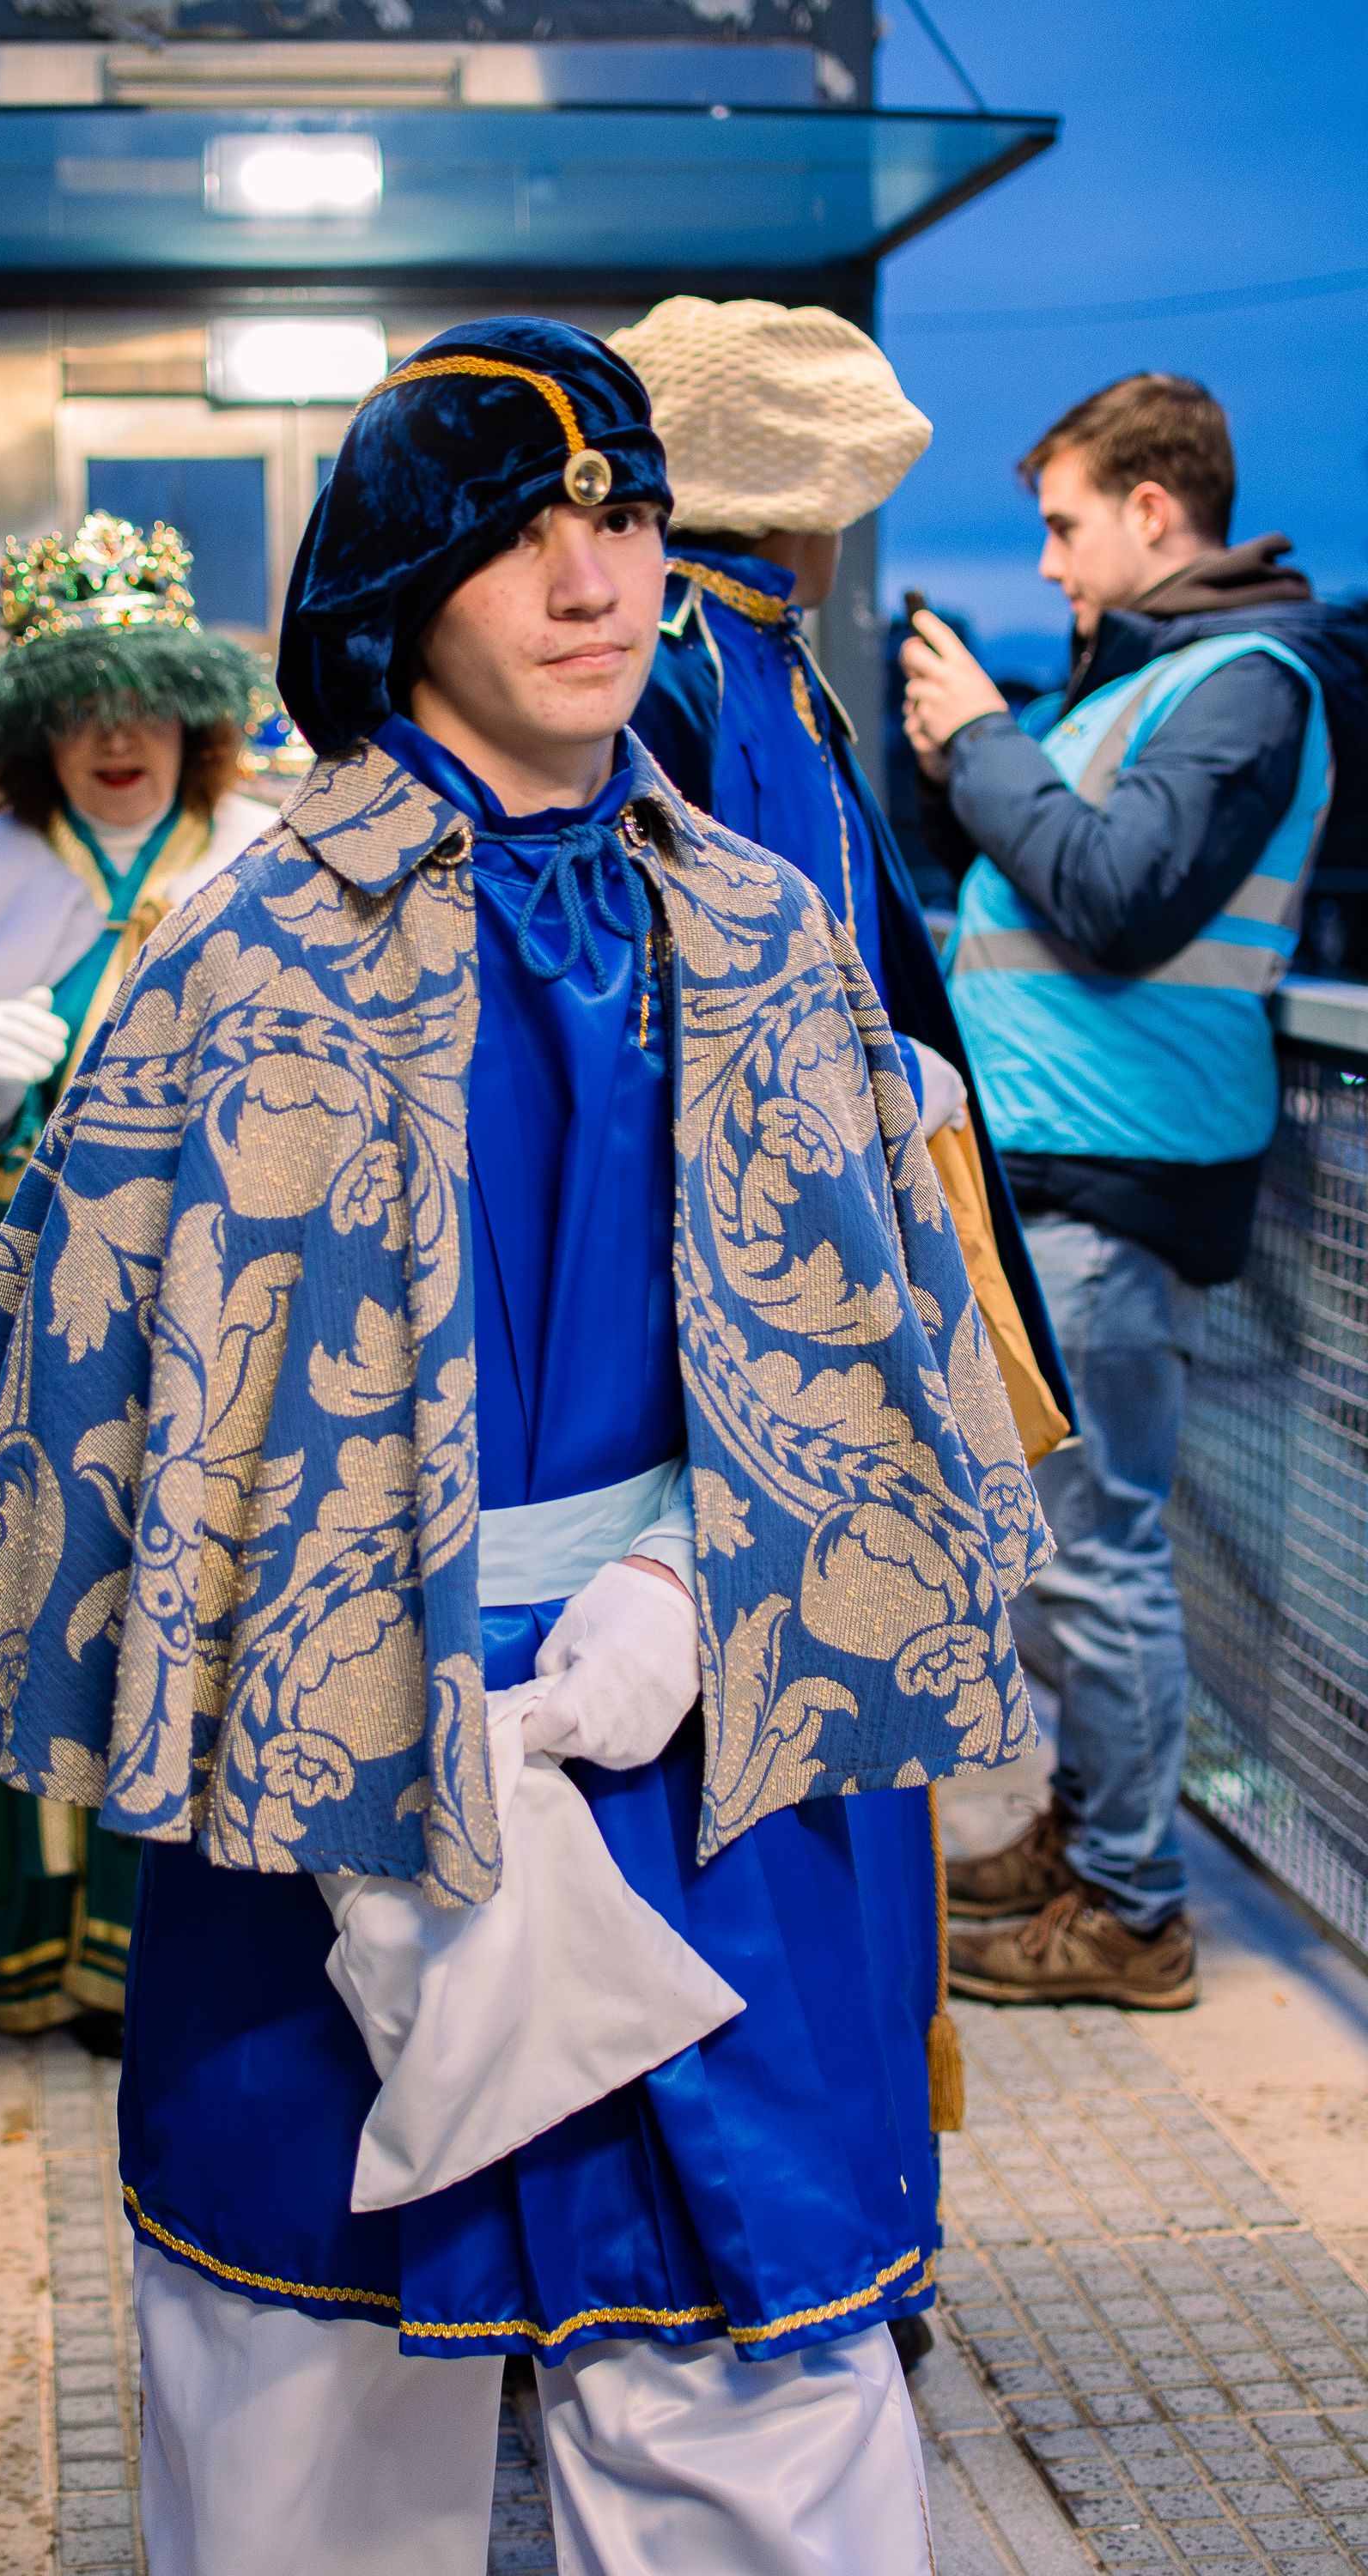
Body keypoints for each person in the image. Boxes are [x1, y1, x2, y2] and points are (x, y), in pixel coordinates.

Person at [0, 315, 1053, 2573]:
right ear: (398, 592)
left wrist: (705, 1582)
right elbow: (124, 1425)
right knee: (303, 2420)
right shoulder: (236, 962)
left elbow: (886, 1378)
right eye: (523, 536)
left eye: (624, 521)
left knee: (763, 2413)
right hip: (327, 1808)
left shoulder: (773, 939)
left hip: (716, 1772)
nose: (597, 582)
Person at [615, 293, 1073, 2368]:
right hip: (799, 1300)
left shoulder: (699, 663)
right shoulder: (739, 669)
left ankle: (805, 2220)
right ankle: (820, 2224)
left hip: (769, 1293)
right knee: (816, 1776)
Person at [902, 372, 1368, 2008]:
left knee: (1095, 1558)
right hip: (1066, 1169)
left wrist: (980, 746)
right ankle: (1096, 1831)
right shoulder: (1148, 684)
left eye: (1065, 523)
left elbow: (1115, 900)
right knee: (1059, 1553)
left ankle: (1134, 1908)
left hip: (1118, 1172)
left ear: (1154, 514)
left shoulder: (1246, 683)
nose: (1045, 565)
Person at [0, 510, 274, 2035]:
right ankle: (48, 1944)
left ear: (194, 709)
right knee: (42, 1613)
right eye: (77, 709)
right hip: (49, 1348)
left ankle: (203, 1957)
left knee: (211, 1619)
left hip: (230, 1323)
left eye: (143, 697)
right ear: (31, 735)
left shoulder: (264, 861)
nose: (115, 736)